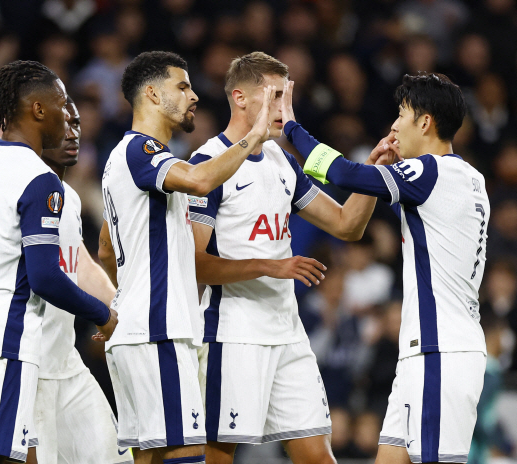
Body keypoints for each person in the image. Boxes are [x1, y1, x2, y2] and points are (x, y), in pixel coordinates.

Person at [188, 52, 396, 464]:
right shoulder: (207, 165)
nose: (285, 109)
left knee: (318, 456)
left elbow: (345, 226)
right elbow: (194, 264)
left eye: (288, 98)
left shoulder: (282, 161)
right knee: (218, 453)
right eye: (276, 96)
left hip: (287, 329)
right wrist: (271, 265)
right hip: (233, 330)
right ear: (241, 97)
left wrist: (372, 174)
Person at [284, 72, 490, 464]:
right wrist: (381, 172)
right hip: (427, 351)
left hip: (440, 351)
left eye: (402, 114)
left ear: (425, 122)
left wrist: (291, 126)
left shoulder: (432, 171)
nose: (394, 125)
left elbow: (342, 173)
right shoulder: (468, 178)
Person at [0, 60, 117, 464]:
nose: (68, 115)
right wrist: (102, 314)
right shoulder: (38, 178)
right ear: (37, 109)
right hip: (3, 337)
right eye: (62, 103)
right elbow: (46, 276)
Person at [98, 50, 275, 464]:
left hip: (139, 327)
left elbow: (107, 248)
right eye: (182, 86)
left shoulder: (120, 161)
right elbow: (198, 180)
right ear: (152, 95)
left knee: (151, 456)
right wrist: (254, 135)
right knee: (188, 453)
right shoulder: (141, 152)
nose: (194, 95)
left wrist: (125, 307)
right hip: (158, 329)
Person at [34, 96, 132, 464]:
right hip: (26, 363)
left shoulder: (69, 198)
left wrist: (120, 311)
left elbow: (82, 266)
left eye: (77, 125)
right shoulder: (19, 190)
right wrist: (103, 315)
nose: (73, 134)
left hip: (66, 361)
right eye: (64, 125)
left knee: (112, 458)